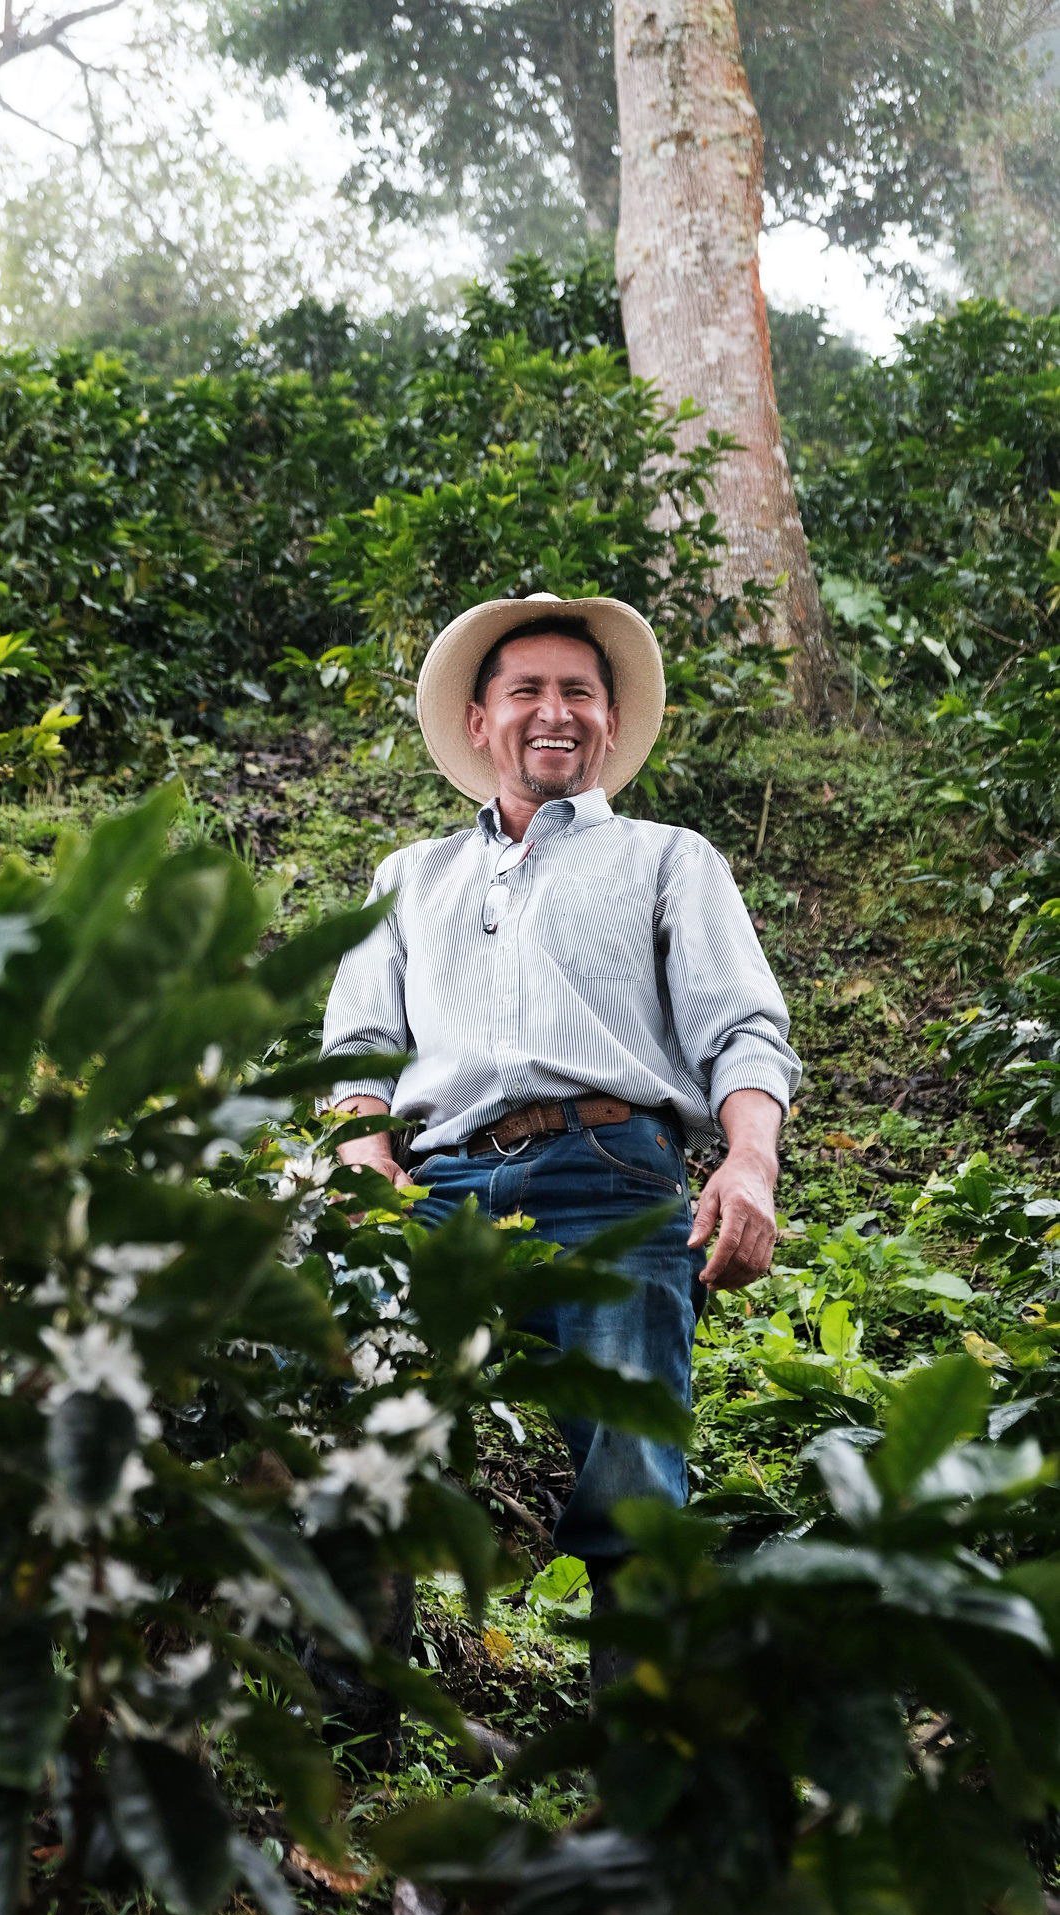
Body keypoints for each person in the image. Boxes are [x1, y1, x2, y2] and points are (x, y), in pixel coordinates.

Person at [321, 591, 801, 1684]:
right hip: (434, 1189)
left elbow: (744, 1031)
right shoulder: (409, 877)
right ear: (482, 721)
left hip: (610, 1174)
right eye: (526, 691)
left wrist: (751, 1160)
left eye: (578, 692)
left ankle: (639, 1763)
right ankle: (349, 1737)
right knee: (367, 1442)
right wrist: (364, 1159)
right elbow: (356, 1053)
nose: (554, 712)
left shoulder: (670, 859)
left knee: (632, 1465)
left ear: (611, 723)